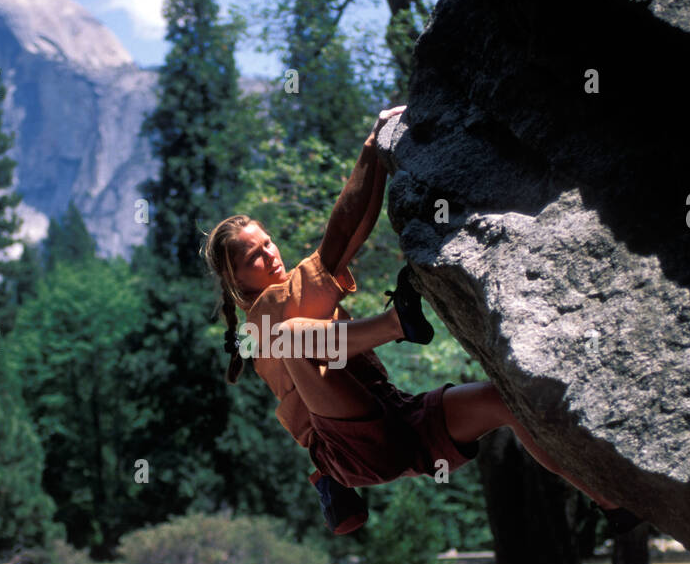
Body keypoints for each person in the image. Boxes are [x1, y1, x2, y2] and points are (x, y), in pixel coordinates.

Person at [202, 105, 639, 535]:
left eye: (268, 242)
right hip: (351, 448)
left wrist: (382, 153)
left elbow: (350, 238)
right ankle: (396, 324)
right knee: (291, 340)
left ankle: (610, 504)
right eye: (252, 256)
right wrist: (371, 146)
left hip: (395, 420)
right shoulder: (262, 321)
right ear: (237, 280)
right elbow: (337, 239)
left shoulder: (289, 297)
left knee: (506, 402)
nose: (269, 254)